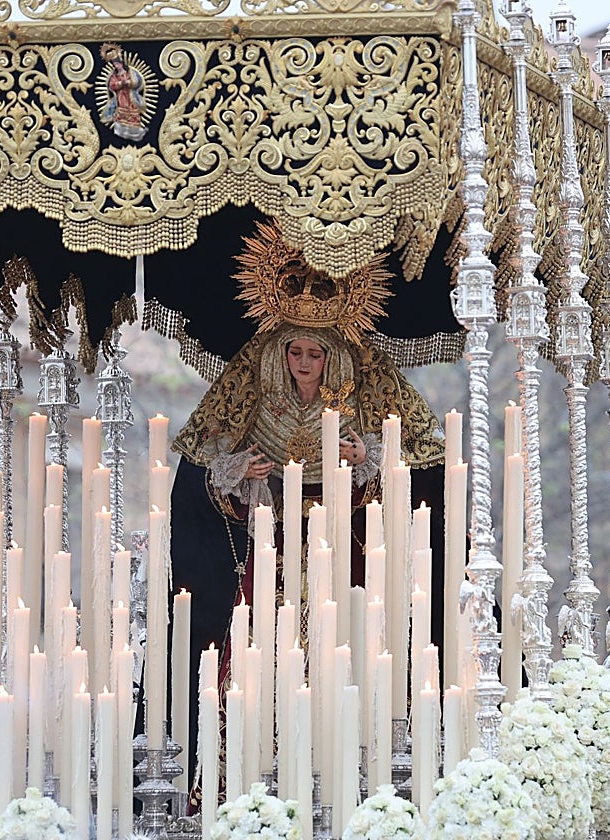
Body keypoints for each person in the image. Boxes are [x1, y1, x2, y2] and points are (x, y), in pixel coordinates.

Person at [168, 221, 445, 789]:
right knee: (256, 652)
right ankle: (243, 769)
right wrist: (238, 471)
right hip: (268, 547)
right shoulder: (253, 391)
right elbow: (204, 461)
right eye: (292, 351)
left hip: (346, 549)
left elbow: (416, 458)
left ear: (332, 357)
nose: (302, 362)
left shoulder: (365, 384)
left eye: (313, 353)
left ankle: (358, 765)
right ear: (278, 354)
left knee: (351, 644)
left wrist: (367, 459)